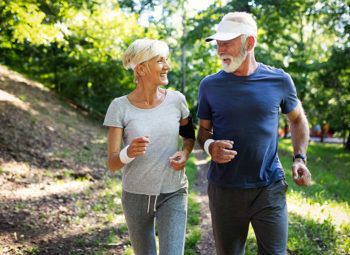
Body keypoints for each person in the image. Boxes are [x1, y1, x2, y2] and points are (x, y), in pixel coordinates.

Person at [197, 12, 311, 255]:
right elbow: (203, 131)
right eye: (218, 43)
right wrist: (210, 147)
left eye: (227, 42)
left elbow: (298, 119)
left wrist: (300, 158)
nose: (220, 50)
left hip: (268, 187)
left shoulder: (279, 80)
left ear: (250, 43)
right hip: (224, 189)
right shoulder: (209, 85)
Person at [103, 38, 195, 255]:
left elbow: (189, 136)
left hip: (174, 191)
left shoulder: (177, 100)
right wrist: (128, 152)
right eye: (160, 61)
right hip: (135, 195)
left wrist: (185, 152)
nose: (167, 66)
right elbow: (112, 163)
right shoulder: (119, 107)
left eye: (166, 60)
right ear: (142, 69)